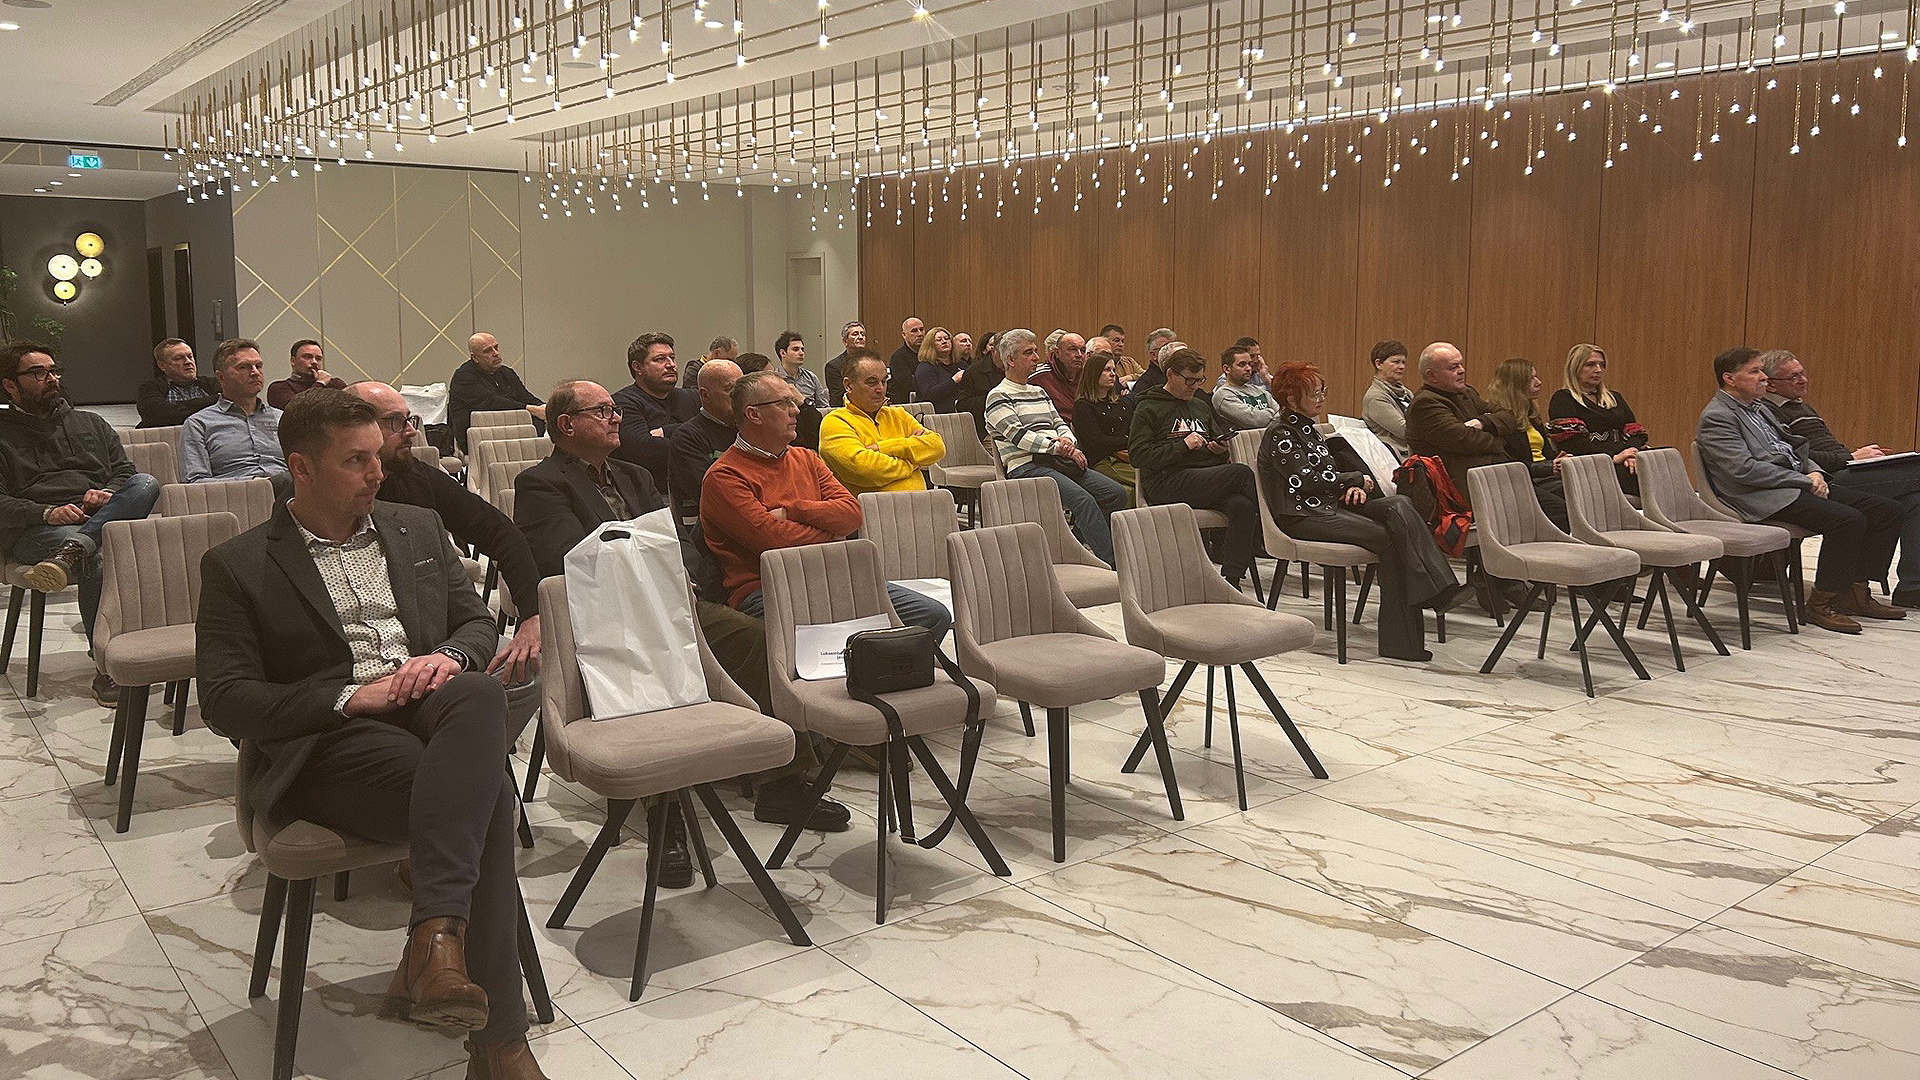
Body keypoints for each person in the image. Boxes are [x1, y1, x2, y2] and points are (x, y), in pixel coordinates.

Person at [195, 389, 547, 1080]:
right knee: (484, 800)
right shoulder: (239, 564)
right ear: (301, 467)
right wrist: (351, 696)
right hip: (331, 743)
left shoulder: (415, 526)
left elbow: (476, 621)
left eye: (377, 455)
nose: (378, 471)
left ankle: (436, 937)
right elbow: (225, 701)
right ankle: (499, 1041)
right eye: (355, 460)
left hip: (432, 712)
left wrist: (449, 656)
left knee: (477, 689)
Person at [515, 379, 848, 864]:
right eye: (602, 411)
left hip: (671, 602)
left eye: (614, 409)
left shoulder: (633, 475)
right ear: (566, 425)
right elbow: (570, 557)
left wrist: (683, 576)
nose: (615, 417)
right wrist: (656, 571)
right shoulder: (542, 484)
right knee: (654, 672)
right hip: (603, 618)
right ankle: (664, 810)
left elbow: (675, 540)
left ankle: (783, 781)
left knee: (756, 639)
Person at [701, 370, 951, 638]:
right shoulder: (724, 476)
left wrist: (794, 510)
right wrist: (832, 533)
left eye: (793, 401)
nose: (795, 410)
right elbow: (774, 541)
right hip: (770, 588)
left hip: (833, 575)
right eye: (783, 403)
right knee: (841, 635)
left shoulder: (806, 458)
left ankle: (875, 661)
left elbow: (852, 514)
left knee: (931, 615)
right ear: (754, 414)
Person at [346, 381, 543, 687]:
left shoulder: (418, 478)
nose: (411, 431)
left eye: (409, 419)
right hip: (364, 649)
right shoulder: (325, 496)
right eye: (395, 421)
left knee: (527, 671)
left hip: (433, 637)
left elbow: (502, 533)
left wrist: (531, 616)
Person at [1261, 362, 1461, 661]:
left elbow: (1328, 474)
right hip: (1301, 516)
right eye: (1314, 393)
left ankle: (1439, 591)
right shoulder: (1282, 433)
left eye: (1323, 391)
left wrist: (1351, 487)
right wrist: (1352, 479)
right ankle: (1407, 634)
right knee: (1391, 537)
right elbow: (1306, 480)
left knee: (1399, 504)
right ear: (1291, 399)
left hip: (1328, 506)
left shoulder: (1308, 428)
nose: (1321, 398)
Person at [1696, 347, 1905, 633]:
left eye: (1762, 370)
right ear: (1729, 378)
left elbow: (1795, 447)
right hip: (1759, 495)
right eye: (1754, 372)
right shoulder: (1718, 417)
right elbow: (1743, 470)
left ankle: (1855, 592)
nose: (1763, 377)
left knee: (1887, 510)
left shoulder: (1758, 409)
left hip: (1792, 485)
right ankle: (1821, 603)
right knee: (1847, 520)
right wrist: (1804, 480)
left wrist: (1814, 470)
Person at [0, 342, 161, 706]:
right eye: (38, 373)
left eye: (53, 370)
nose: (51, 379)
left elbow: (125, 473)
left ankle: (74, 550)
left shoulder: (90, 423)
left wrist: (107, 493)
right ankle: (105, 667)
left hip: (95, 517)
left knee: (147, 483)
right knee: (99, 555)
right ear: (10, 384)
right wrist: (46, 512)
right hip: (38, 531)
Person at [1757, 348, 1920, 608]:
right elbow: (1794, 458)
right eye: (1793, 377)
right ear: (1772, 385)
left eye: (1802, 373)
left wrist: (1855, 458)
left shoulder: (1800, 405)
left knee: (1914, 499)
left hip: (1844, 469)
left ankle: (1912, 587)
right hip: (1826, 480)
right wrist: (1851, 457)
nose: (1802, 380)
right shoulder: (1768, 412)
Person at [985, 330, 1128, 565]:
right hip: (1027, 466)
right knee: (1083, 501)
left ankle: (1076, 544)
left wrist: (1068, 443)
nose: (1036, 357)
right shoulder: (998, 395)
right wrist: (1059, 448)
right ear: (1010, 359)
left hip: (1058, 460)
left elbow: (1059, 423)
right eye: (1028, 353)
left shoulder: (1038, 391)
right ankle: (1113, 562)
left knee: (1115, 493)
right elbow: (1019, 437)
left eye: (1035, 351)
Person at [1128, 348, 1259, 588]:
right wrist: (1183, 445)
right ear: (1170, 374)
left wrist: (1218, 450)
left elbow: (1213, 447)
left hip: (1201, 480)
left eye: (1199, 380)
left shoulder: (1199, 406)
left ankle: (1232, 581)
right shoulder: (1148, 407)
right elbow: (1139, 456)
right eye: (1189, 380)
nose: (1195, 386)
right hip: (1166, 481)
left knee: (1243, 505)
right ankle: (1276, 525)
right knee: (1240, 473)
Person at [178, 338, 293, 502]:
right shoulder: (199, 424)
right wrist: (253, 483)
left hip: (290, 495)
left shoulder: (282, 418)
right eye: (244, 367)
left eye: (258, 366)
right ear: (221, 378)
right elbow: (194, 483)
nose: (255, 372)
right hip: (235, 498)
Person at [1405, 342, 1516, 510]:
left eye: (1461, 364)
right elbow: (1466, 439)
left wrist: (1483, 422)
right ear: (1432, 375)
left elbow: (1509, 416)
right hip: (1459, 488)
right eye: (1453, 367)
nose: (1462, 370)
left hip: (1490, 476)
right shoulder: (1425, 404)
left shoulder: (1466, 393)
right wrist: (1501, 438)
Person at [821, 351, 946, 497]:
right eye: (872, 382)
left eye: (884, 381)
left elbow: (937, 447)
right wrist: (912, 463)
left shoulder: (898, 414)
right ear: (848, 385)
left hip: (919, 505)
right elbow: (864, 469)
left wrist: (882, 448)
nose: (881, 389)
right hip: (870, 508)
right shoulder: (835, 422)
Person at [1482, 358, 1571, 531]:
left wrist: (1560, 459)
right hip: (1522, 481)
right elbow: (1508, 464)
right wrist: (1549, 467)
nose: (1539, 382)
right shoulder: (1498, 420)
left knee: (1587, 493)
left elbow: (1547, 453)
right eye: (1532, 378)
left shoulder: (1531, 414)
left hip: (1545, 476)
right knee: (1567, 507)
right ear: (1516, 384)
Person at [1548, 344, 1649, 493]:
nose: (1598, 370)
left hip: (1623, 457)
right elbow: (1573, 443)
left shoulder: (1614, 397)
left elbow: (1636, 432)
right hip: (1592, 464)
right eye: (1590, 365)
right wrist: (1613, 457)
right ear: (1575, 367)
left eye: (1602, 365)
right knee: (1640, 475)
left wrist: (1631, 453)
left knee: (1663, 460)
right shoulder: (1563, 399)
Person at [611, 331, 700, 491]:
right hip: (651, 492)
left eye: (672, 357)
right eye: (660, 359)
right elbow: (644, 451)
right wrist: (695, 442)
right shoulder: (623, 402)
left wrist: (666, 431)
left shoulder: (691, 397)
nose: (671, 364)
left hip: (695, 488)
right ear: (637, 367)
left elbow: (715, 434)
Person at [666, 358, 744, 528]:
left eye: (742, 389)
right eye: (730, 389)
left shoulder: (749, 429)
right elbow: (713, 495)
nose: (739, 397)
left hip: (745, 517)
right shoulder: (687, 437)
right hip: (709, 527)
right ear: (705, 395)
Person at [449, 333, 545, 451]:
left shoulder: (506, 372)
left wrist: (546, 408)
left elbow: (526, 397)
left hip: (509, 430)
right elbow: (493, 403)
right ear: (475, 358)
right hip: (480, 438)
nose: (495, 353)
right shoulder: (463, 376)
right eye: (488, 351)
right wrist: (531, 409)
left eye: (496, 347)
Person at [1071, 347, 1136, 505]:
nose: (1112, 374)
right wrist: (1128, 441)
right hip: (1104, 460)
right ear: (1094, 373)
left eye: (1113, 370)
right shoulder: (1083, 406)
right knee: (1147, 480)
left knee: (1152, 478)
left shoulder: (1122, 402)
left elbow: (1136, 431)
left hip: (1130, 456)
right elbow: (1096, 442)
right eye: (1107, 370)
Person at [136, 338, 220, 427]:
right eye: (179, 358)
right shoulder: (150, 388)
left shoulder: (214, 383)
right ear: (162, 365)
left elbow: (228, 406)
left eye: (190, 356)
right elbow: (158, 415)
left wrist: (180, 409)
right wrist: (214, 401)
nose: (188, 362)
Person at [1360, 339, 1414, 459]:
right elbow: (1406, 431)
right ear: (1379, 364)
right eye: (1396, 362)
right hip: (1398, 458)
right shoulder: (1375, 397)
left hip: (1414, 453)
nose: (1402, 367)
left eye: (1403, 362)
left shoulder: (1406, 393)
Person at [1213, 343, 1281, 430]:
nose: (1248, 368)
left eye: (1249, 364)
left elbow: (1282, 413)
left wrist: (1268, 415)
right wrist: (1272, 412)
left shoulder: (1259, 390)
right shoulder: (1223, 395)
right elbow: (1253, 420)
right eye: (1242, 364)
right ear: (1227, 369)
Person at [267, 339, 346, 409]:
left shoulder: (335, 384)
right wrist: (320, 383)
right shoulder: (279, 388)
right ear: (293, 361)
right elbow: (298, 409)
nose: (314, 362)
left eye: (318, 359)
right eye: (307, 357)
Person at [955, 330, 1005, 439]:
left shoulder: (1019, 368)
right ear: (993, 351)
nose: (1008, 357)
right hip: (986, 432)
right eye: (1004, 352)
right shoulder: (974, 371)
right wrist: (993, 398)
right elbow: (962, 405)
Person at [1031, 332, 1087, 417]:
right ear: (1057, 352)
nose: (1079, 355)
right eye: (1072, 349)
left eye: (1083, 350)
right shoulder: (1039, 376)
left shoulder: (1087, 377)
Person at [912, 327, 967, 412]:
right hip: (936, 414)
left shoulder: (961, 364)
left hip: (962, 411)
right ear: (930, 345)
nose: (944, 341)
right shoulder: (925, 367)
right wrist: (953, 381)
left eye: (947, 338)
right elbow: (929, 395)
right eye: (939, 340)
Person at [772, 330, 827, 410]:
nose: (801, 353)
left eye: (802, 349)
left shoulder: (811, 377)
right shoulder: (773, 379)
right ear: (783, 353)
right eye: (795, 349)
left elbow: (824, 408)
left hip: (810, 416)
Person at [824, 321, 865, 407]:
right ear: (845, 341)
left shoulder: (873, 363)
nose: (860, 337)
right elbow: (838, 398)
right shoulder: (834, 366)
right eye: (855, 334)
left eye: (862, 334)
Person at [888, 317, 926, 405]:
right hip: (907, 404)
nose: (920, 334)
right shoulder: (898, 358)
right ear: (904, 335)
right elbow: (909, 385)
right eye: (914, 331)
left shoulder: (930, 355)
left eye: (921, 329)